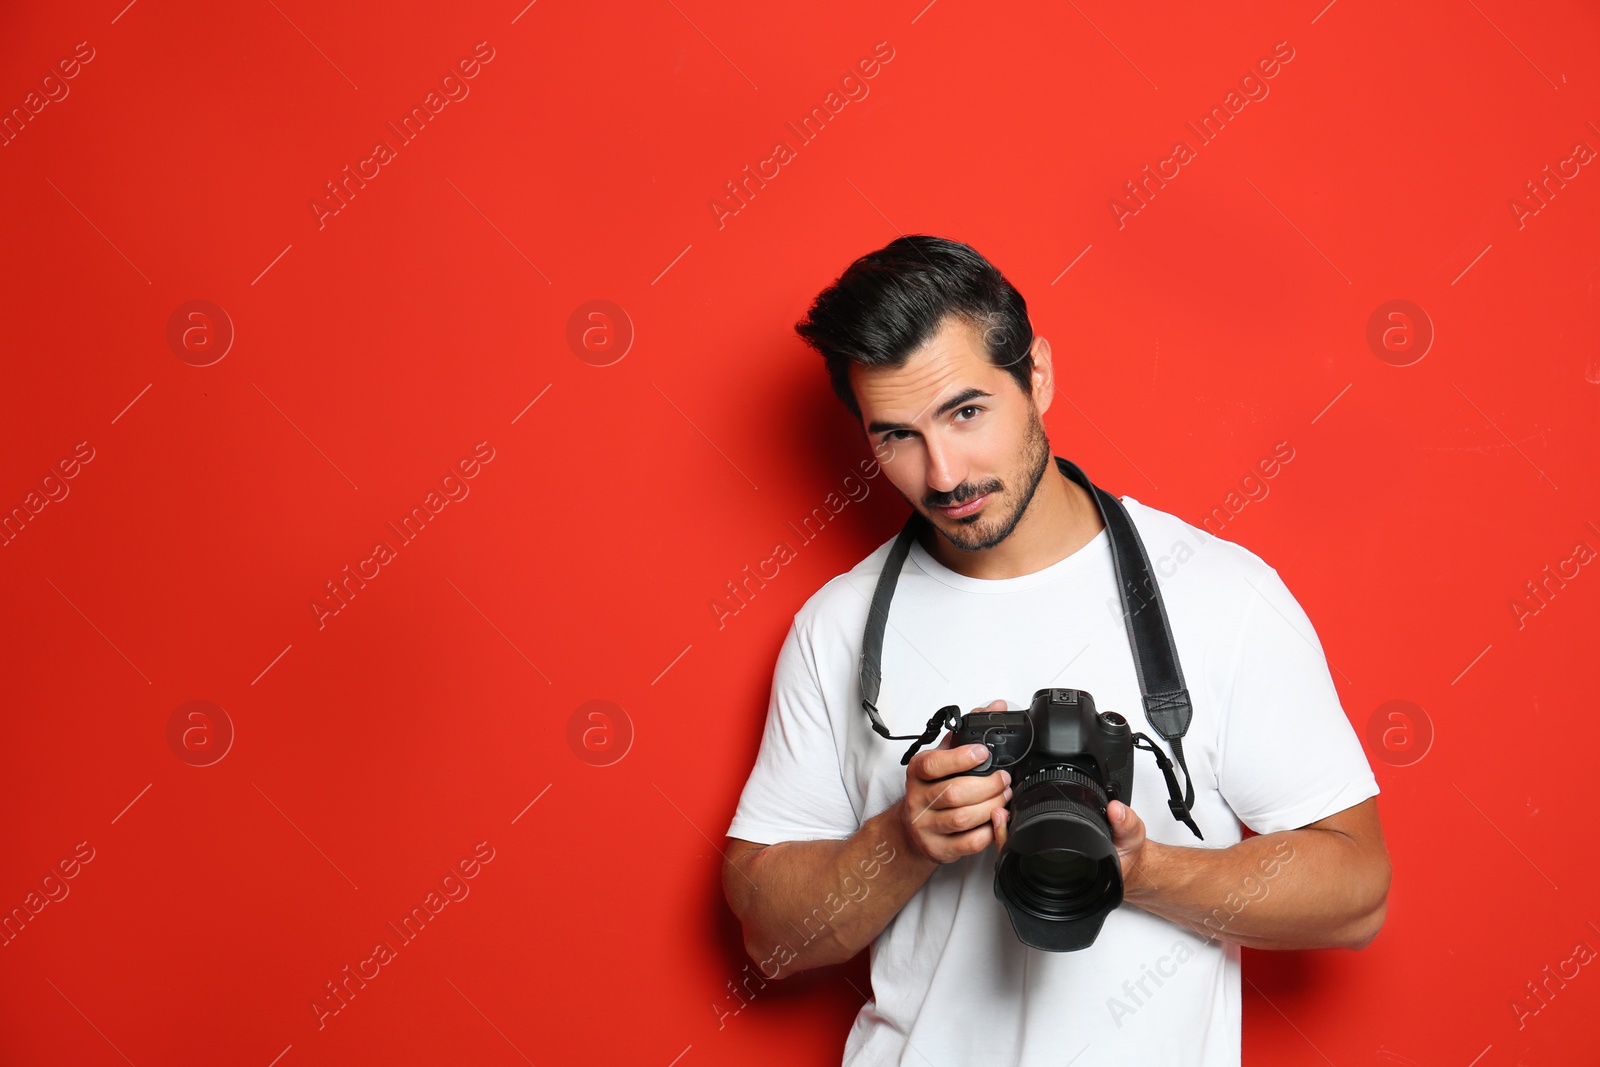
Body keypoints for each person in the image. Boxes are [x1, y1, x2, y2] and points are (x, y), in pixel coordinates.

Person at [720, 234, 1391, 1066]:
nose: (944, 473)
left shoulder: (1219, 593)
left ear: (1035, 374)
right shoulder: (840, 626)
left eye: (967, 412)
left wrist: (1136, 867)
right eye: (896, 436)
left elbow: (1357, 894)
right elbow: (771, 939)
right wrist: (903, 839)